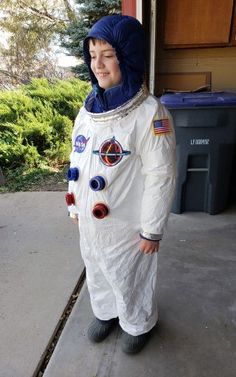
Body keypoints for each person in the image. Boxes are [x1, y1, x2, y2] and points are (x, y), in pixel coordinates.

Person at [66, 14, 176, 354]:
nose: (97, 64)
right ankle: (106, 312)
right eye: (92, 54)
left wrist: (152, 229)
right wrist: (74, 204)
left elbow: (161, 174)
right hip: (91, 222)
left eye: (108, 54)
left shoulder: (150, 114)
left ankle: (138, 321)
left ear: (127, 56)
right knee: (97, 269)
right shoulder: (88, 111)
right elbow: (77, 159)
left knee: (129, 275)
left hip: (128, 227)